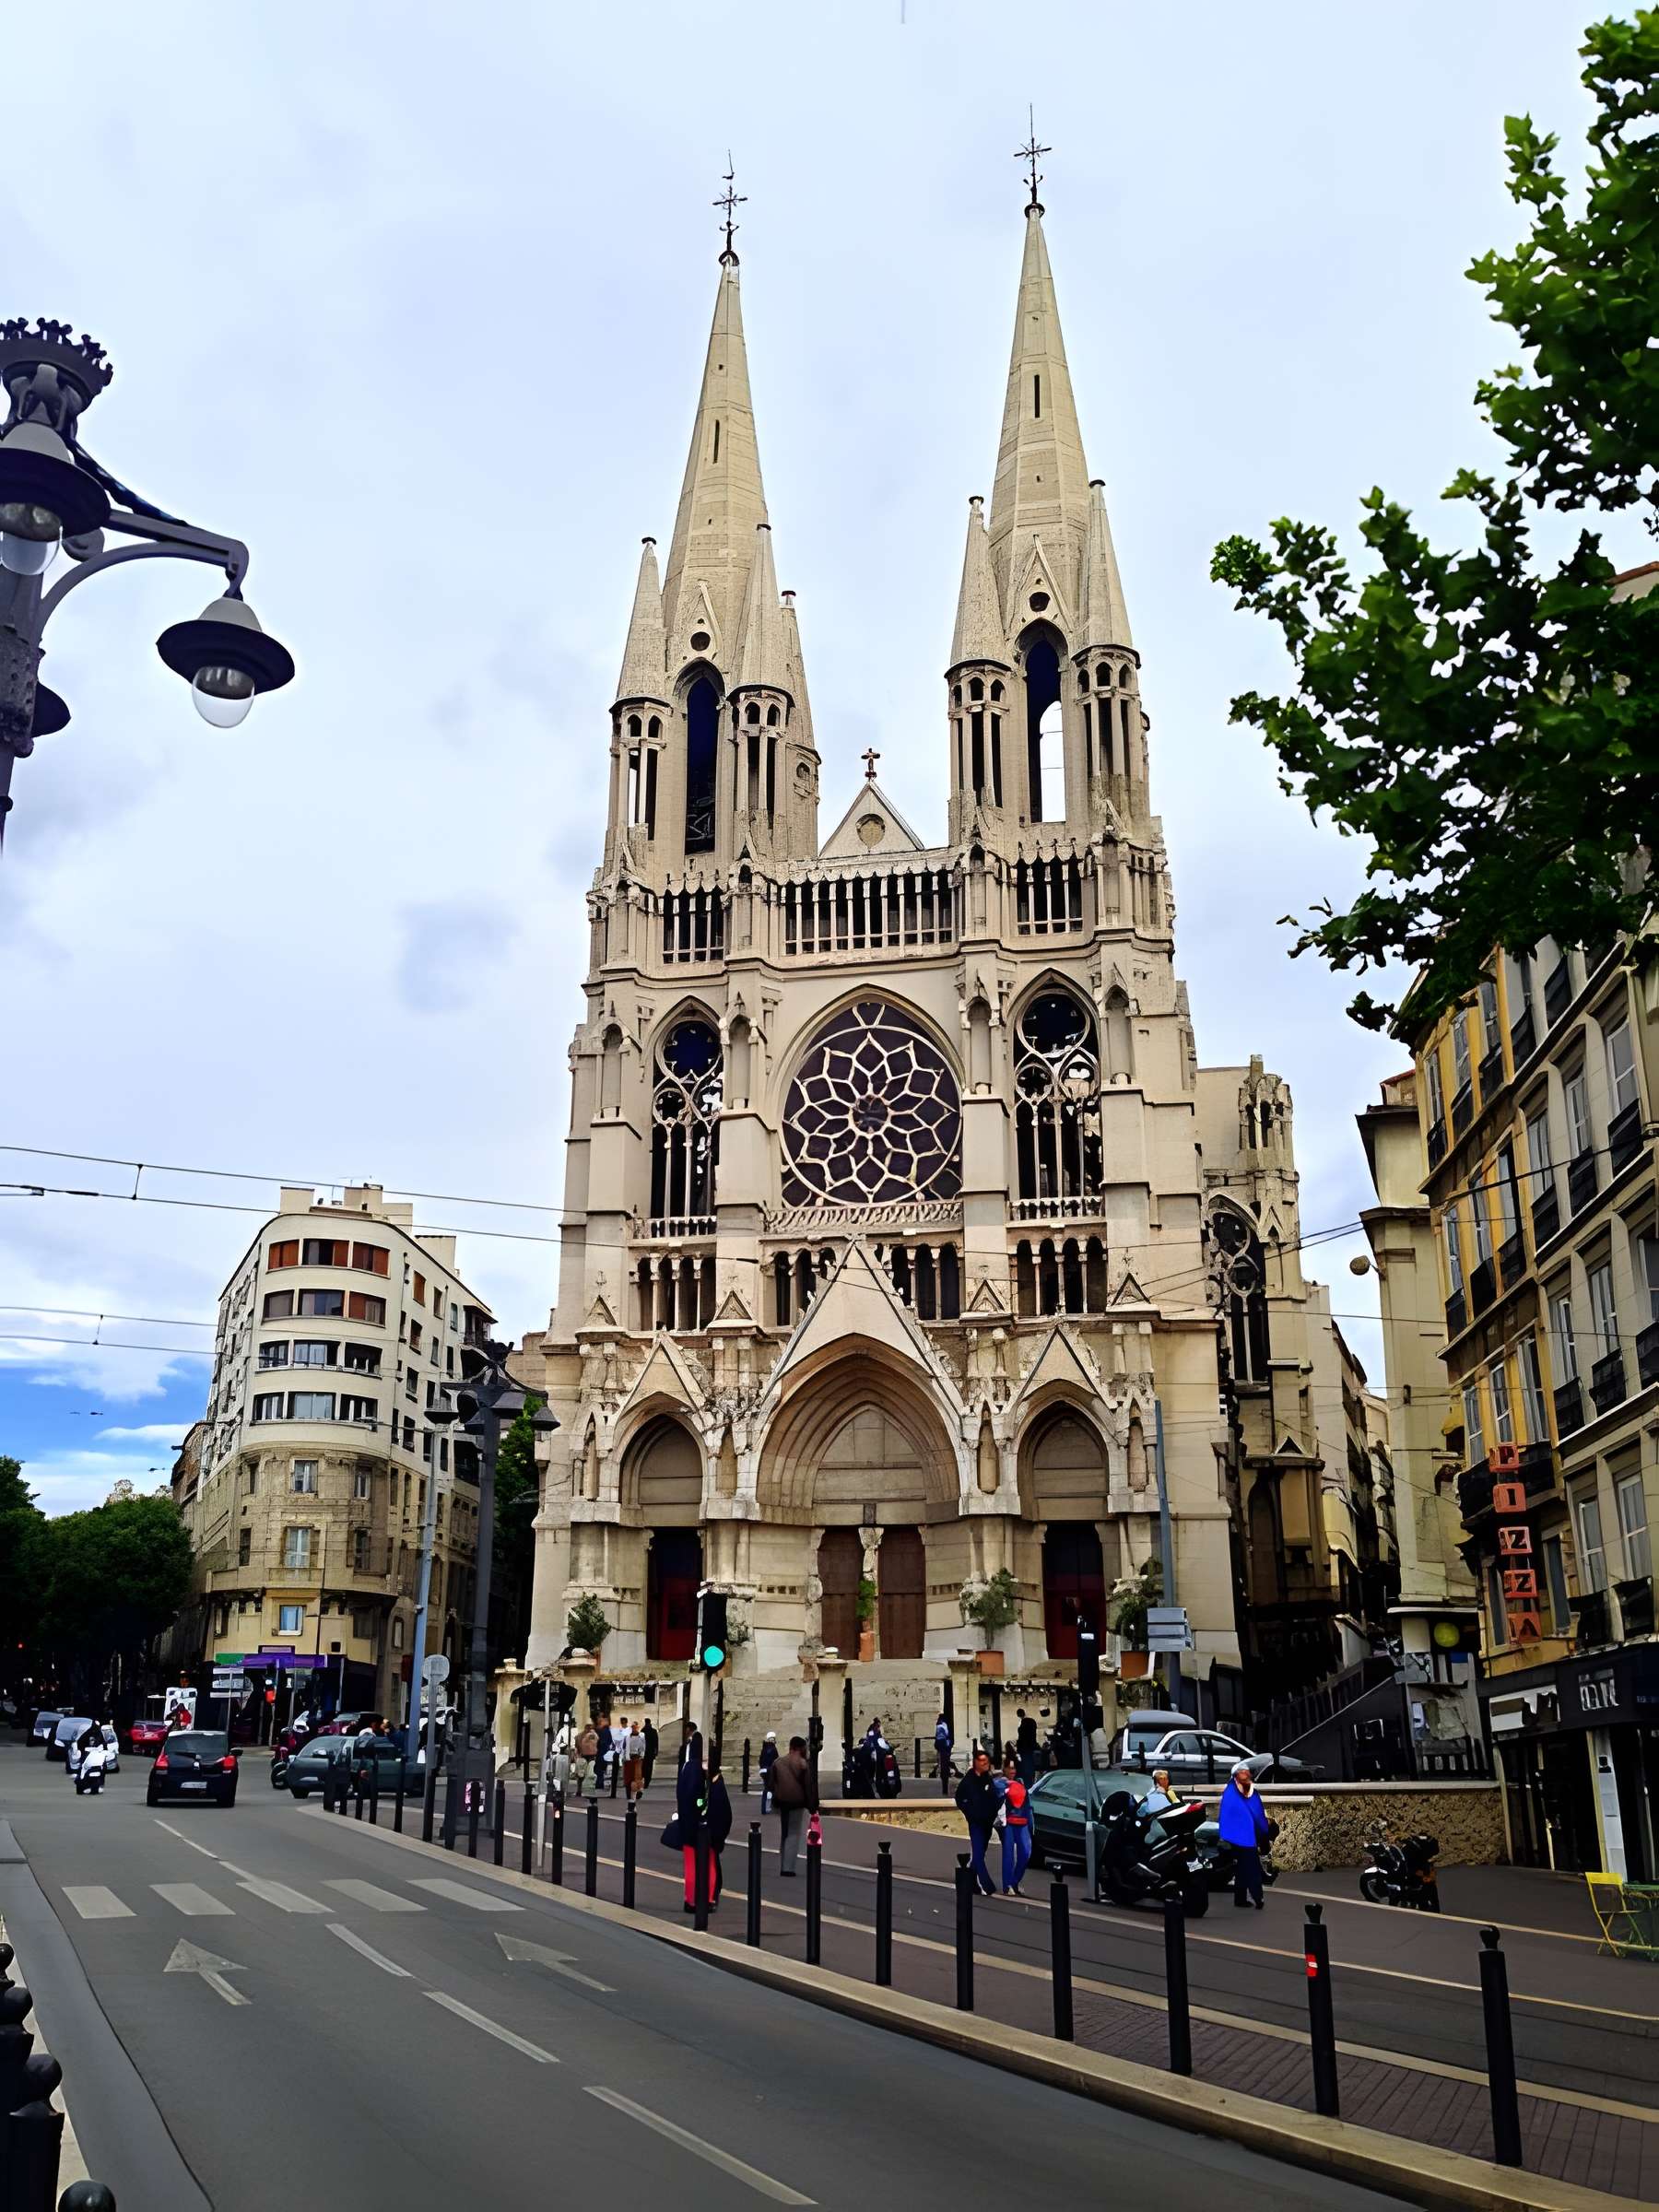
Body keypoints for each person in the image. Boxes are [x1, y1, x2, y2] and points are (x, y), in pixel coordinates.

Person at [1218, 1763, 1271, 1909]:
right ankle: (1257, 1897)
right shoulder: (1232, 1793)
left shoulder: (1250, 1791)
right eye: (1243, 1773)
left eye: (1247, 1773)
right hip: (1239, 1837)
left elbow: (1258, 1813)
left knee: (1242, 1868)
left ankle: (1240, 1899)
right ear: (1236, 1776)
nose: (1246, 1776)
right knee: (1251, 1867)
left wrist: (1263, 1830)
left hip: (1247, 1836)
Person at [677, 1731, 716, 1914]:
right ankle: (697, 1899)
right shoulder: (697, 1769)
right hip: (697, 1823)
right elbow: (697, 1798)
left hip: (685, 1820)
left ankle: (689, 1898)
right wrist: (702, 1806)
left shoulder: (685, 1767)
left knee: (690, 1864)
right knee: (700, 1864)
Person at [955, 1748, 1001, 1898]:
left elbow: (993, 1797)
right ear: (975, 1763)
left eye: (987, 1762)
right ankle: (986, 1885)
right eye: (982, 1762)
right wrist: (970, 1813)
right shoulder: (968, 1781)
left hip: (987, 1822)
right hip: (975, 1823)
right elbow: (960, 1798)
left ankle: (968, 1880)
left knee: (980, 1853)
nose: (985, 1764)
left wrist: (993, 1812)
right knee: (979, 1853)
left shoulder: (987, 1779)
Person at [771, 1733, 817, 1875]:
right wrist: (812, 1806)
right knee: (793, 1834)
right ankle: (788, 1868)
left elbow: (771, 1784)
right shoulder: (803, 1764)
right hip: (796, 1802)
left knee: (784, 1833)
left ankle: (782, 1862)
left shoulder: (778, 1762)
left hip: (781, 1801)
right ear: (800, 1748)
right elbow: (808, 1786)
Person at [998, 1756, 1033, 1895]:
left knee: (1025, 1852)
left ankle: (1015, 1881)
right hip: (1009, 1822)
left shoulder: (1020, 1783)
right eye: (1010, 1768)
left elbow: (1028, 1805)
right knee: (1008, 1855)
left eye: (1014, 1768)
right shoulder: (1001, 1783)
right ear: (1005, 1769)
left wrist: (1031, 1824)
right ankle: (1007, 1885)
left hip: (1022, 1822)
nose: (1013, 1770)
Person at [704, 1756, 734, 1908]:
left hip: (714, 1832)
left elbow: (722, 1814)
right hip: (714, 1831)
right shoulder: (714, 1785)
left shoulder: (717, 1787)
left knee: (712, 1863)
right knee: (712, 1862)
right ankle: (712, 1894)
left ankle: (712, 1895)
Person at [573, 1719, 599, 1799]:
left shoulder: (593, 1736)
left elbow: (597, 1741)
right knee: (581, 1775)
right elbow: (577, 1746)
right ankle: (579, 1790)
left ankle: (585, 1791)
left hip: (590, 1757)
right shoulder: (580, 1736)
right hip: (584, 1756)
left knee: (589, 1775)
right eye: (589, 1727)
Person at [1015, 1710, 1040, 1787]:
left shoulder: (1025, 1723)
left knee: (1026, 1770)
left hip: (1025, 1750)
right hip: (1029, 1749)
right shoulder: (1031, 1722)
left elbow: (1022, 1737)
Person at [623, 1718, 646, 1800]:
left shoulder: (642, 1736)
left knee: (637, 1777)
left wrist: (641, 1756)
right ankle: (628, 1793)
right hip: (629, 1758)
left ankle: (638, 1791)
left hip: (637, 1759)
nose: (634, 1728)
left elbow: (643, 1748)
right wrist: (627, 1758)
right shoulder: (628, 1737)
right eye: (633, 1727)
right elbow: (626, 1748)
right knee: (628, 1777)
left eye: (636, 1727)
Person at [758, 1730, 779, 1814]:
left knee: (766, 1788)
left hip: (763, 1770)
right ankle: (768, 1807)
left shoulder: (764, 1748)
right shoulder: (773, 1749)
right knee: (770, 1788)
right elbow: (775, 1760)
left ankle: (764, 1808)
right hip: (769, 1770)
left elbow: (761, 1760)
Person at [934, 1713, 954, 1787]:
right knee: (944, 1760)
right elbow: (946, 1734)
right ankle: (944, 1774)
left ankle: (940, 1772)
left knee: (940, 1759)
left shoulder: (938, 1724)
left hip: (939, 1743)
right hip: (944, 1744)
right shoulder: (943, 1725)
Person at [641, 1716, 659, 1789]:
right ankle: (647, 1782)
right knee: (650, 1767)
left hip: (644, 1752)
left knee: (644, 1767)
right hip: (651, 1752)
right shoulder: (653, 1731)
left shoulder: (643, 1731)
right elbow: (656, 1743)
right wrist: (656, 1752)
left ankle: (644, 1781)